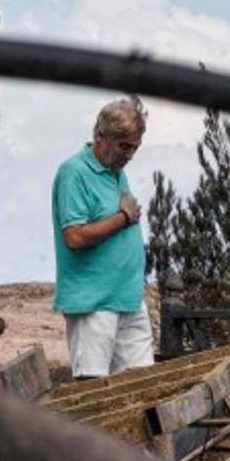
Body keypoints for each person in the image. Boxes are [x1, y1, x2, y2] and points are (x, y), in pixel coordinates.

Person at [51, 98, 154, 379]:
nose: (130, 154)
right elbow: (74, 236)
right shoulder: (74, 172)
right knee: (95, 388)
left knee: (143, 389)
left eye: (135, 147)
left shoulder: (117, 173)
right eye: (124, 146)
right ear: (100, 136)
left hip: (128, 298)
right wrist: (123, 219)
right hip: (93, 302)